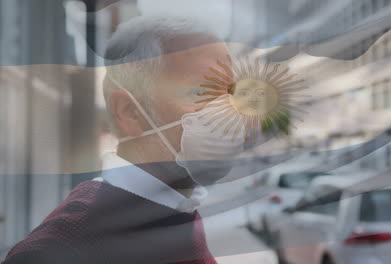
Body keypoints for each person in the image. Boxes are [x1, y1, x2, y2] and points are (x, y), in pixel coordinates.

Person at [2, 16, 242, 264]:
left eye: (229, 93)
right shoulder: (58, 251)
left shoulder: (177, 209)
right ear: (130, 112)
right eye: (200, 92)